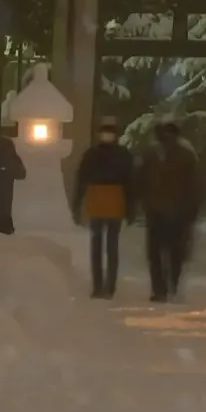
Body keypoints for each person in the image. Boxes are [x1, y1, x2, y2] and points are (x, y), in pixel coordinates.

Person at [137, 121, 206, 303]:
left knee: (158, 253)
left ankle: (161, 288)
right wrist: (194, 209)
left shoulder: (152, 155)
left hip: (161, 210)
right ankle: (170, 285)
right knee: (173, 252)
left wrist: (142, 202)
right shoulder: (183, 155)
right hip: (175, 211)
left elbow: (140, 181)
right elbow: (196, 185)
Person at [72, 120, 135, 299]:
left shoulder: (92, 154)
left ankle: (102, 286)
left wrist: (77, 203)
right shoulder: (121, 155)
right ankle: (105, 286)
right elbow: (131, 183)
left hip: (100, 202)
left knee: (101, 246)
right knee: (108, 246)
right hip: (111, 202)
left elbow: (82, 179)